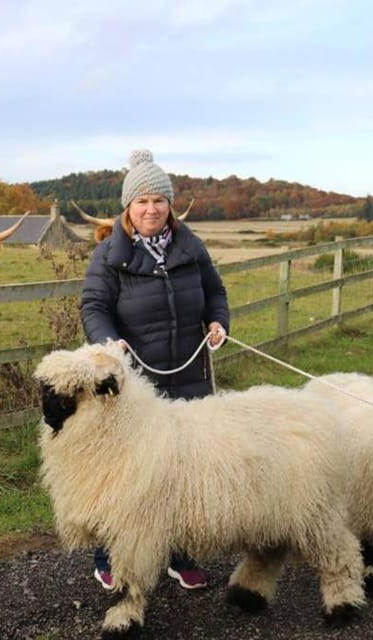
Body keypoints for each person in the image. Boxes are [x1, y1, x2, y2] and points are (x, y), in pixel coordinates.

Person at [80, 149, 230, 591]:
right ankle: (110, 553)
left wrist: (218, 321)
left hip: (189, 376)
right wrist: (111, 343)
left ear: (170, 206)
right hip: (135, 382)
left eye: (159, 201)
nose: (151, 209)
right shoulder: (109, 255)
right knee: (127, 471)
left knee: (188, 468)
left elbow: (215, 291)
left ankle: (181, 555)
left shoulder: (190, 246)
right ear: (128, 207)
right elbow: (93, 307)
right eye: (142, 201)